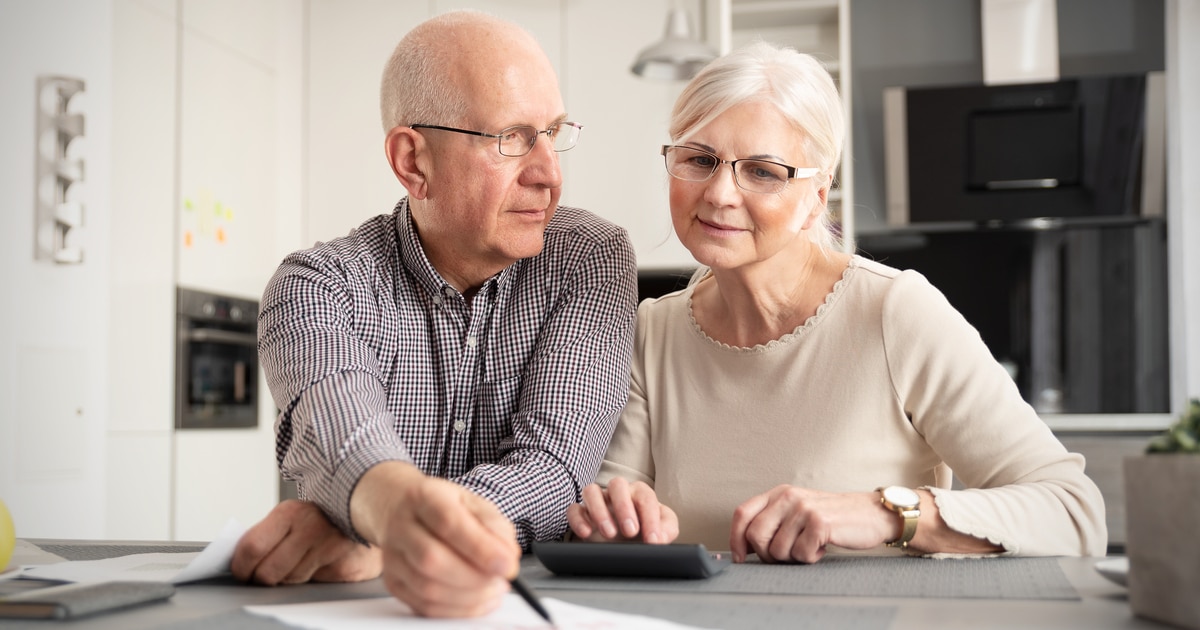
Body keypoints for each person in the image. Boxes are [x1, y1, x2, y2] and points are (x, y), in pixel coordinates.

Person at [566, 41, 1107, 562]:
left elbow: (1074, 512)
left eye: (762, 171)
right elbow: (615, 512)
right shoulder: (651, 331)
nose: (720, 193)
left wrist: (887, 514)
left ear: (816, 197)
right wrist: (611, 519)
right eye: (700, 159)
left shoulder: (896, 313)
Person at [230, 10, 638, 618]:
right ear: (413, 162)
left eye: (554, 132)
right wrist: (388, 512)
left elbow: (555, 470)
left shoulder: (588, 258)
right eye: (513, 138)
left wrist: (374, 531)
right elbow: (342, 430)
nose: (550, 174)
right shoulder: (316, 286)